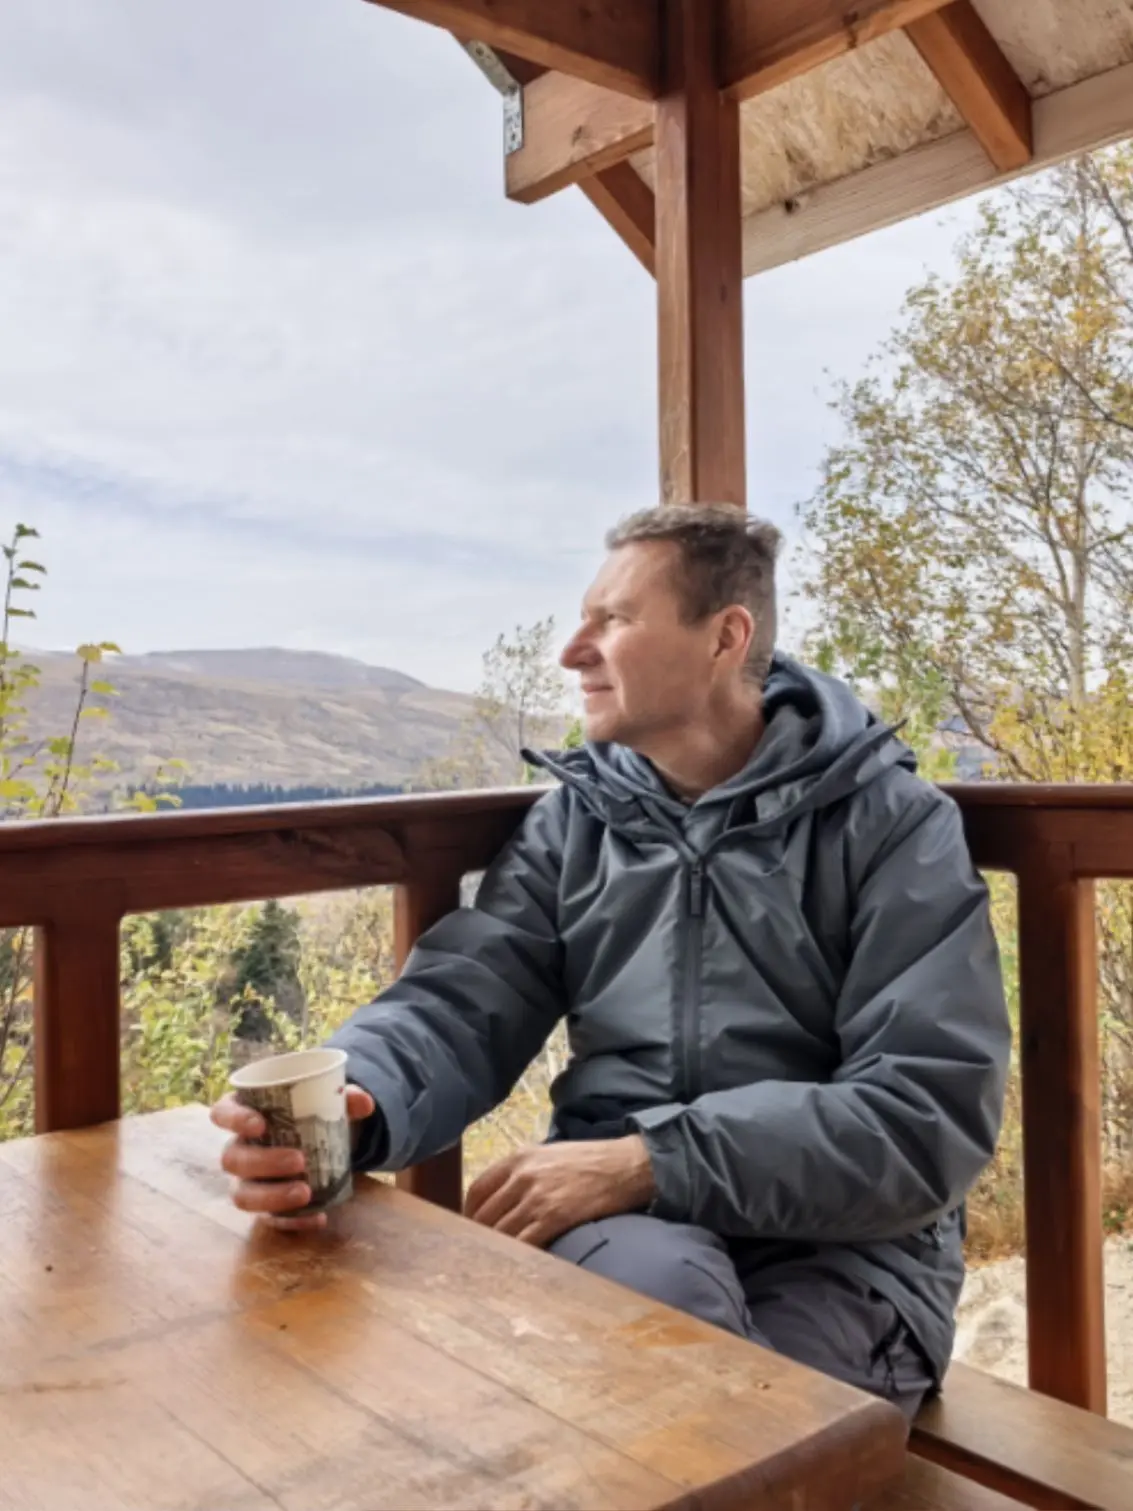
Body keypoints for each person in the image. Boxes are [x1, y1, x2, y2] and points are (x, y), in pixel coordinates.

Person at [212, 504, 1010, 1421]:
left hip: (849, 1249)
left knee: (748, 1417)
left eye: (614, 619)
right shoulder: (577, 822)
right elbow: (465, 997)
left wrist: (651, 1159)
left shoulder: (890, 825)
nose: (571, 651)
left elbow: (923, 1111)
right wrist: (360, 1098)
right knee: (673, 1345)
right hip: (629, 1228)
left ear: (724, 637)